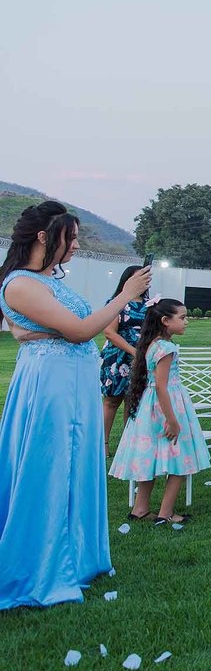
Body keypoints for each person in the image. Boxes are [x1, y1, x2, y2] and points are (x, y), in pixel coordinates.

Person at [0, 201, 151, 610]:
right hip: (50, 387)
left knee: (75, 463)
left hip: (72, 383)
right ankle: (40, 562)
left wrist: (41, 335)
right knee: (49, 466)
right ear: (45, 237)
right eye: (72, 236)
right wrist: (125, 295)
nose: (78, 245)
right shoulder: (21, 283)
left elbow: (28, 331)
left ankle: (76, 555)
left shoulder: (49, 282)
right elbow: (82, 330)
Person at [109, 298, 211, 525]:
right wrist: (172, 420)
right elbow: (162, 386)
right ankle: (166, 512)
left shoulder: (151, 344)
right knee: (181, 459)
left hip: (150, 406)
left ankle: (140, 508)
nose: (186, 322)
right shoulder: (167, 348)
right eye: (182, 318)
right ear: (165, 321)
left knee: (151, 456)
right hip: (167, 405)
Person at [99, 264, 149, 456]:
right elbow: (109, 332)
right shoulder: (116, 302)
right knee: (112, 401)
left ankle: (128, 444)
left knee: (133, 400)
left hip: (142, 358)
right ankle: (103, 444)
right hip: (118, 358)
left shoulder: (151, 305)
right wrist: (133, 351)